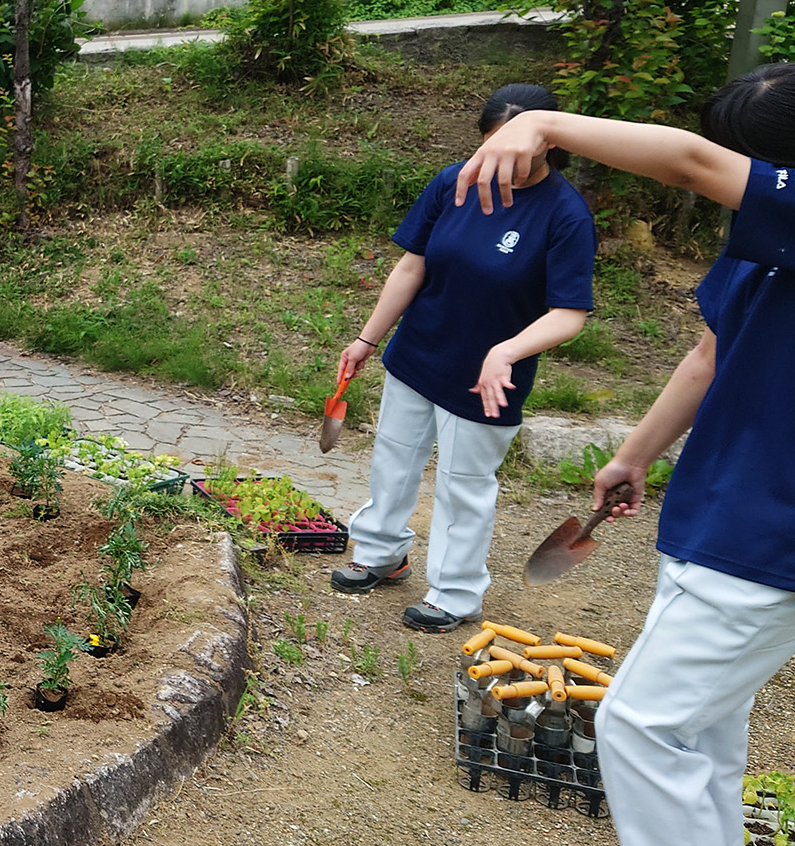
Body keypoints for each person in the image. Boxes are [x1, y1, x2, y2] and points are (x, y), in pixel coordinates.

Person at [457, 63, 795, 846]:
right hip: (718, 514)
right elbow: (710, 353)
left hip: (767, 535)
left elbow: (690, 162)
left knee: (640, 727)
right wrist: (634, 455)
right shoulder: (760, 244)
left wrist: (544, 122)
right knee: (703, 734)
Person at [330, 84, 595, 633]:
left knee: (463, 485)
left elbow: (569, 314)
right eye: (492, 143)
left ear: (549, 141)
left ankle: (456, 592)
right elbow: (413, 266)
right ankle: (380, 553)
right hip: (419, 351)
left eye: (519, 145)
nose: (504, 158)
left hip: (488, 378)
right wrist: (366, 339)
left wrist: (507, 351)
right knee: (392, 459)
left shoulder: (565, 215)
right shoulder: (455, 181)